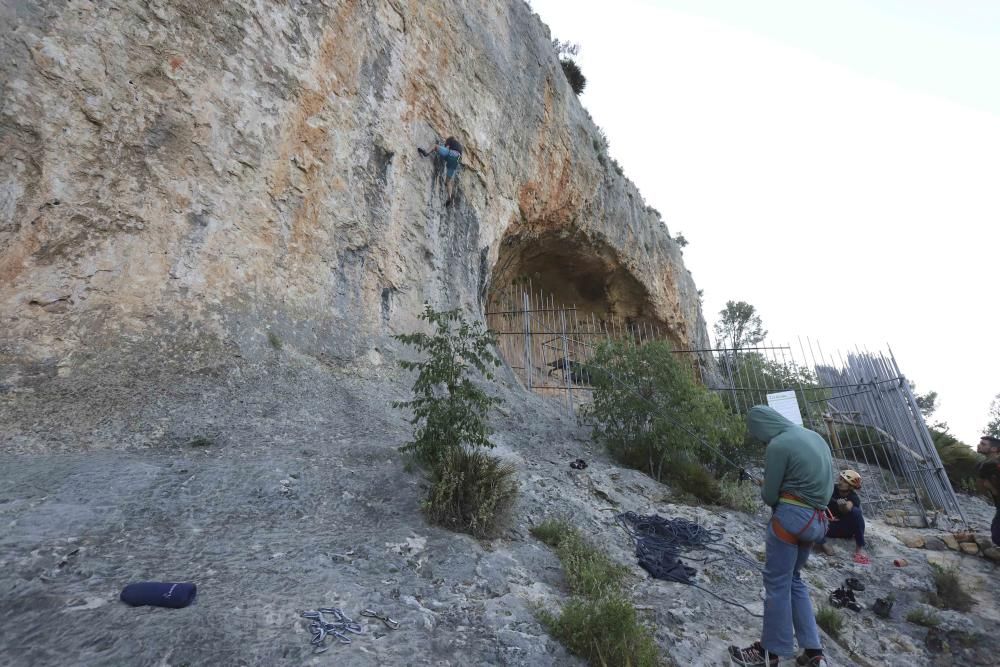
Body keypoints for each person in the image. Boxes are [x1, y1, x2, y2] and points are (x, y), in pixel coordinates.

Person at [730, 406, 833, 667]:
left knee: (777, 583)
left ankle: (769, 652)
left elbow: (769, 497)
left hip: (790, 520)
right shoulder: (815, 437)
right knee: (794, 579)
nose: (763, 440)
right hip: (816, 522)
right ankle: (813, 651)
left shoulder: (778, 444)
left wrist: (768, 487)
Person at [815, 469, 869, 564]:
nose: (840, 482)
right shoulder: (831, 488)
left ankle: (859, 548)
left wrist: (842, 506)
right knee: (814, 514)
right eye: (840, 479)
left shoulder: (853, 497)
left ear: (851, 486)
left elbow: (847, 509)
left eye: (844, 481)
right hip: (827, 526)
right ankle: (823, 544)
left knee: (856, 512)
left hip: (843, 529)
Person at [418, 136, 463, 205]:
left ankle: (426, 153)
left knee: (435, 146)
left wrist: (441, 148)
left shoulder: (451, 141)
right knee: (448, 181)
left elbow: (446, 149)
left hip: (452, 154)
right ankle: (449, 197)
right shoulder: (459, 146)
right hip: (456, 161)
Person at [976, 435, 1000, 545]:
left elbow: (983, 486)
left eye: (983, 444)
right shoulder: (984, 465)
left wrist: (991, 489)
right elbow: (982, 486)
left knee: (997, 535)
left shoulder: (992, 464)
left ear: (994, 449)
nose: (979, 445)